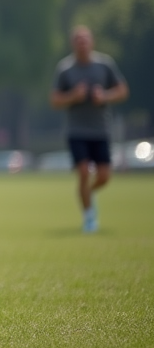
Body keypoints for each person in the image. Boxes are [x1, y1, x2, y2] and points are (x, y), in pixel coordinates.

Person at [50, 25, 129, 233]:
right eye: (78, 40)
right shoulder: (65, 69)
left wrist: (104, 96)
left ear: (92, 42)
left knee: (104, 176)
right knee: (84, 172)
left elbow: (122, 90)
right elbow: (55, 100)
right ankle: (89, 218)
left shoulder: (105, 65)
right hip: (76, 131)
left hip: (100, 129)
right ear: (73, 44)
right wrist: (72, 96)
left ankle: (88, 194)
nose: (82, 44)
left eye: (85, 40)